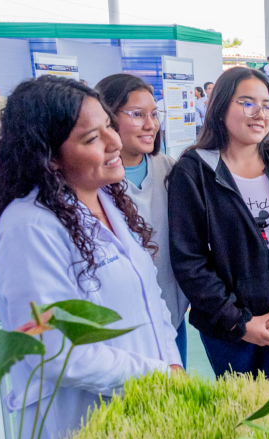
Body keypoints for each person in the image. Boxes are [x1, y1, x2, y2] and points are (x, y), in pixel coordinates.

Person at [0, 76, 183, 439]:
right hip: (81, 426)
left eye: (109, 125)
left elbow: (152, 299)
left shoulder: (109, 201)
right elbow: (52, 351)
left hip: (143, 411)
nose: (113, 142)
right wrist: (159, 377)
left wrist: (172, 366)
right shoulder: (30, 228)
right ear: (50, 156)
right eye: (92, 137)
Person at [168, 67, 269, 378]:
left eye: (266, 104)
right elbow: (189, 260)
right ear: (221, 106)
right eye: (247, 103)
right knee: (244, 415)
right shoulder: (194, 171)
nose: (261, 113)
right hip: (226, 327)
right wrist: (237, 322)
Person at [95, 73, 190, 366]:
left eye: (153, 114)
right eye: (137, 115)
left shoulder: (169, 170)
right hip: (120, 332)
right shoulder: (92, 181)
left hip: (169, 320)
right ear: (106, 117)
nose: (150, 124)